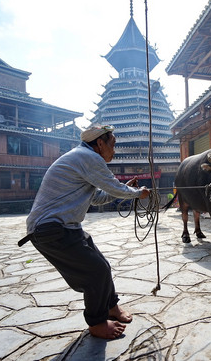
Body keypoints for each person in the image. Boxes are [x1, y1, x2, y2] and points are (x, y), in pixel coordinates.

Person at [22, 125, 150, 339]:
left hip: (67, 227)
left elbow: (99, 197)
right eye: (113, 144)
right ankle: (97, 323)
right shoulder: (87, 157)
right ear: (100, 143)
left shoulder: (83, 159)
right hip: (50, 229)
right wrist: (137, 193)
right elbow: (113, 188)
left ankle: (111, 307)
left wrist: (127, 189)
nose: (114, 150)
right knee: (96, 272)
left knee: (103, 265)